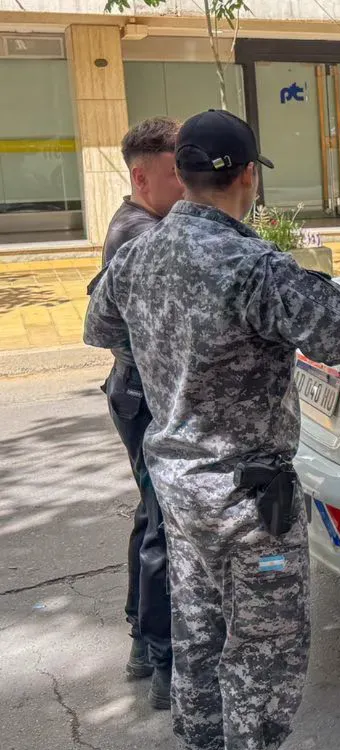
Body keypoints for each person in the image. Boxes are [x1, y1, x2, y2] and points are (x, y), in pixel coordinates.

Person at [83, 109, 340, 750]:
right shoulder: (253, 267)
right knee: (264, 647)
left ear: (180, 174)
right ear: (248, 177)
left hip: (179, 486)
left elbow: (102, 329)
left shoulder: (140, 256)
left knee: (200, 631)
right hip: (252, 500)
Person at [95, 116, 186, 710]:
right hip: (146, 398)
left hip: (136, 395)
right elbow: (108, 329)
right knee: (163, 527)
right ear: (141, 175)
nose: (187, 185)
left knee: (150, 517)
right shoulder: (140, 235)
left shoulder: (140, 223)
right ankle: (161, 661)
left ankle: (140, 637)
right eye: (177, 174)